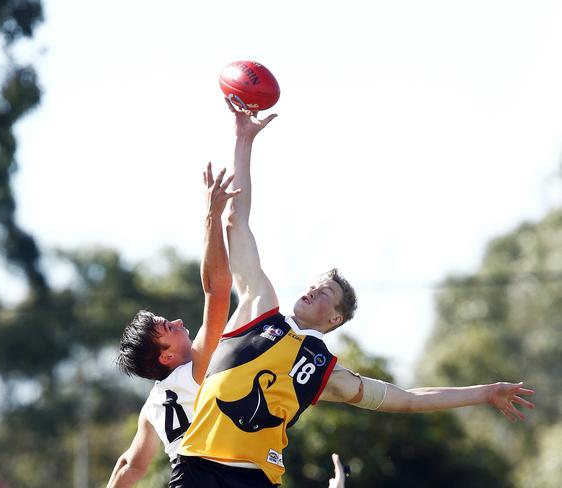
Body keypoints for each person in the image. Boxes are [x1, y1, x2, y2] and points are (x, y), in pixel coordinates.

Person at [173, 100, 535, 487]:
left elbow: (410, 399)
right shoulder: (260, 306)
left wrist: (485, 393)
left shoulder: (328, 372)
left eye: (325, 292)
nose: (312, 290)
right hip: (195, 468)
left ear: (335, 320)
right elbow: (236, 220)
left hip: (255, 480)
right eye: (313, 285)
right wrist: (243, 139)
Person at [106, 163, 240, 488]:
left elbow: (130, 466)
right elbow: (218, 291)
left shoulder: (152, 405)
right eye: (168, 327)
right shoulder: (197, 366)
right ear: (166, 357)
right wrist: (213, 216)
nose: (179, 322)